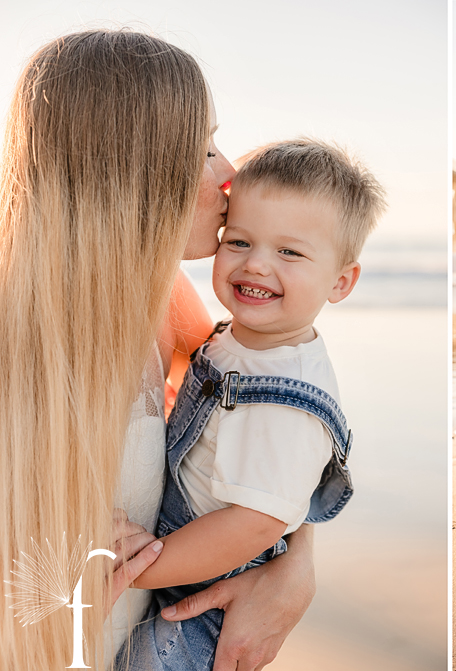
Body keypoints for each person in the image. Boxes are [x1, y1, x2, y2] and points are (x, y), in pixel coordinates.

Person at [0, 30, 315, 670]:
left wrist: (294, 564)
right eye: (202, 152)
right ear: (129, 169)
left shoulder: (157, 297)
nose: (231, 177)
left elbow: (263, 427)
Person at [117, 138, 385, 671]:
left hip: (201, 610)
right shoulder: (235, 342)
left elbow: (258, 523)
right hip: (183, 579)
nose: (257, 265)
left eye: (289, 252)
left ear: (341, 282)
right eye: (238, 241)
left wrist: (144, 567)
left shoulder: (286, 396)